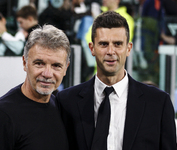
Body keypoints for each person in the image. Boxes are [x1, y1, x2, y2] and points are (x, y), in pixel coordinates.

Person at [56, 11, 176, 150]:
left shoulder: (158, 103)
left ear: (128, 48)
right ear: (92, 48)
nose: (111, 51)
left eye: (118, 44)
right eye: (103, 44)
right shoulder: (66, 101)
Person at [0, 25, 70, 150]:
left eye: (56, 66)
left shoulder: (62, 109)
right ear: (24, 63)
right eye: (39, 64)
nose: (47, 74)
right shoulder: (1, 115)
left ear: (66, 68)